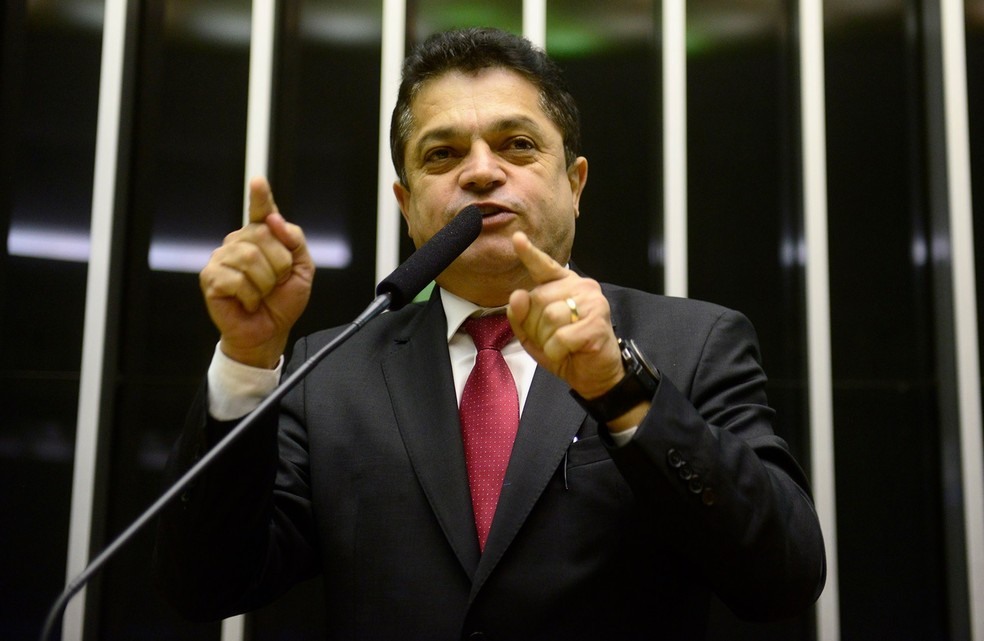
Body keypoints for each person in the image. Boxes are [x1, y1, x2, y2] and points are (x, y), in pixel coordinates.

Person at [155, 27, 825, 640]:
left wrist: (621, 392)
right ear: (407, 205)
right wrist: (248, 358)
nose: (480, 171)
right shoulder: (328, 370)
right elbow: (207, 583)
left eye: (518, 145)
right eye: (442, 154)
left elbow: (783, 575)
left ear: (575, 183)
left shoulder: (695, 341)